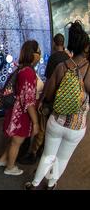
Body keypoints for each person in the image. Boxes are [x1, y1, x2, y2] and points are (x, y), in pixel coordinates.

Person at [25, 21, 90, 190]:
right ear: (86, 48)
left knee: (48, 154)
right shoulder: (89, 69)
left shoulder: (62, 67)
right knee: (62, 158)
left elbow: (49, 93)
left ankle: (34, 184)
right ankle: (51, 184)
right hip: (77, 125)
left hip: (57, 120)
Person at [19, 33, 70, 165]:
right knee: (50, 128)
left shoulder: (53, 58)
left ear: (54, 43)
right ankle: (44, 151)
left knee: (41, 128)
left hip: (50, 98)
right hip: (61, 99)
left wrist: (42, 99)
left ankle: (33, 154)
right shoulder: (68, 57)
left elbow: (49, 80)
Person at [0, 40, 40, 175]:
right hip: (21, 114)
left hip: (14, 111)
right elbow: (29, 101)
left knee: (13, 139)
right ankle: (10, 167)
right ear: (33, 54)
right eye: (38, 51)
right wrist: (36, 122)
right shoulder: (28, 73)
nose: (40, 54)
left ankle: (2, 159)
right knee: (17, 142)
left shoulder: (21, 68)